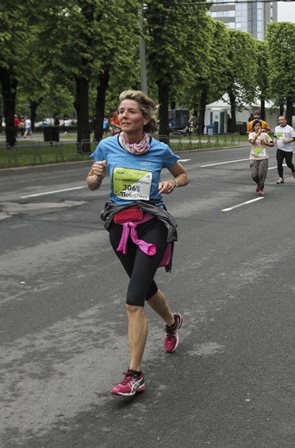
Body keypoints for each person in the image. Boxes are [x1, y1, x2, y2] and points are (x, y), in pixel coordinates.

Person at [87, 90, 189, 397]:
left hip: (151, 223)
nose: (124, 116)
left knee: (133, 301)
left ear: (144, 118)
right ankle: (172, 322)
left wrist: (172, 182)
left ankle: (134, 374)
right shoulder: (105, 146)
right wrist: (94, 175)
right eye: (121, 111)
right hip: (119, 225)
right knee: (143, 288)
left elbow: (184, 176)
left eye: (131, 112)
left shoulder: (159, 150)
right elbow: (92, 185)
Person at [248, 119, 274, 196]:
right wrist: (257, 134)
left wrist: (266, 143)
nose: (258, 127)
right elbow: (252, 142)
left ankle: (261, 188)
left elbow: (272, 144)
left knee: (261, 174)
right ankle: (258, 184)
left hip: (263, 157)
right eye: (256, 126)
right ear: (253, 127)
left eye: (259, 126)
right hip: (253, 157)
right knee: (254, 175)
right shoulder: (251, 134)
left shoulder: (265, 135)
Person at [272, 115, 295, 184]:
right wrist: (274, 141)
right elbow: (275, 136)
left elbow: (294, 138)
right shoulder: (277, 128)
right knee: (279, 163)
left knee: (289, 163)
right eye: (279, 120)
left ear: (285, 120)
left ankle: (293, 169)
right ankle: (281, 178)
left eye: (282, 120)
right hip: (280, 149)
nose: (281, 121)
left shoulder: (290, 128)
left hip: (288, 150)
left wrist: (288, 140)